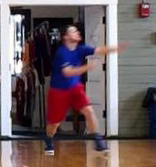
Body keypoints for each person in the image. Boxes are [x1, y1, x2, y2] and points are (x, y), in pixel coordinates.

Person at [43, 25, 124, 155]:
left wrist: (115, 48)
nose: (77, 32)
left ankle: (98, 140)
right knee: (55, 123)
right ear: (66, 37)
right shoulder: (61, 52)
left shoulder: (81, 49)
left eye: (76, 30)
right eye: (73, 31)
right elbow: (67, 72)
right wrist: (88, 67)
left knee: (89, 111)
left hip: (75, 88)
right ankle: (48, 138)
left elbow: (99, 49)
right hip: (58, 91)